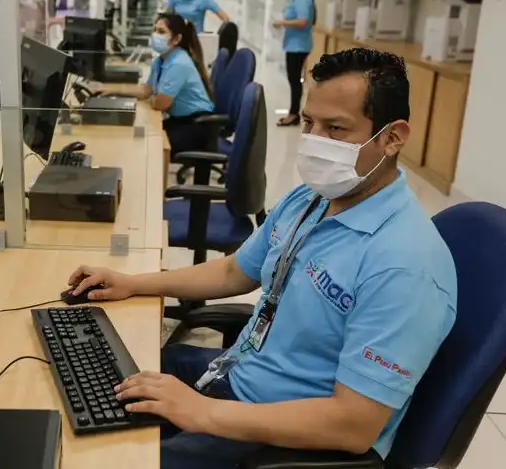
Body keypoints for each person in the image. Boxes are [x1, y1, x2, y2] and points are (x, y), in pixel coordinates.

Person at [67, 48, 457, 469]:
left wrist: (202, 412)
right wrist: (133, 281)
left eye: (336, 128)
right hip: (234, 376)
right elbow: (236, 270)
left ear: (393, 137)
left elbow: (353, 426)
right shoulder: (313, 199)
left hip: (282, 434)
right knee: (83, 387)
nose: (314, 140)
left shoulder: (405, 265)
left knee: (103, 460)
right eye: (309, 122)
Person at [97, 13, 215, 157]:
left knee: (149, 144)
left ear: (176, 39)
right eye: (155, 30)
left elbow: (160, 104)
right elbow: (146, 91)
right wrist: (111, 90)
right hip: (181, 121)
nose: (155, 35)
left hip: (197, 128)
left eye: (161, 32)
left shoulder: (178, 63)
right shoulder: (161, 61)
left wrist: (151, 99)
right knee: (139, 134)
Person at [274, 0, 317, 127]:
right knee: (294, 80)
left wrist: (283, 22)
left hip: (298, 46)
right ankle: (293, 113)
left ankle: (293, 114)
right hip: (296, 44)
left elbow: (303, 21)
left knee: (294, 81)